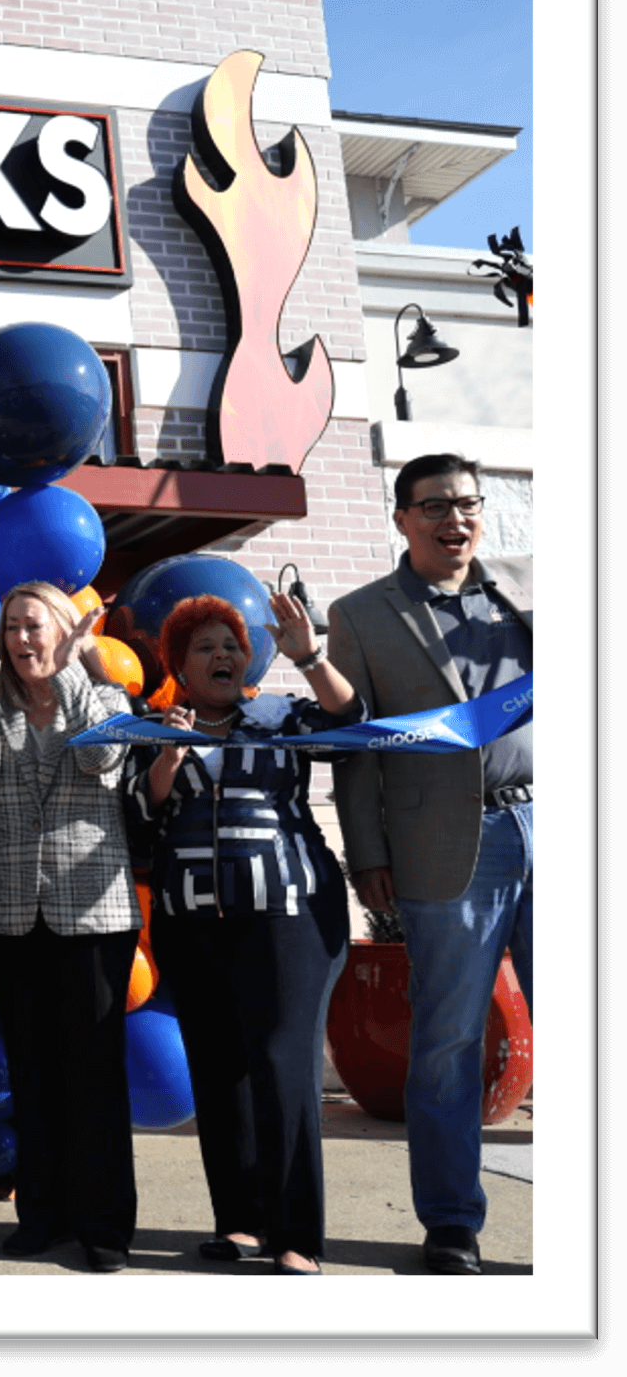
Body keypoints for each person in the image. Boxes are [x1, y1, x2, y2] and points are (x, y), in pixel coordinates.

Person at [327, 453, 532, 1277]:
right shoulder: (361, 614)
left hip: (545, 815)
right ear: (401, 517)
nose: (456, 519)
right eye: (436, 506)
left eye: (468, 504)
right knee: (446, 1041)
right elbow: (355, 749)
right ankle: (451, 1221)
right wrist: (366, 855)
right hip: (444, 848)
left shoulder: (526, 590)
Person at [133, 590, 360, 1275]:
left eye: (229, 644)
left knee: (281, 1065)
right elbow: (141, 818)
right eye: (203, 647)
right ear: (178, 664)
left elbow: (350, 720)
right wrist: (166, 763)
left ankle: (296, 1235)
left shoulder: (281, 713)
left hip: (287, 911)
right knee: (218, 1071)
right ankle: (239, 1222)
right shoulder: (152, 726)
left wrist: (311, 656)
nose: (222, 655)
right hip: (189, 918)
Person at [0, 581, 138, 1274]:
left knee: (91, 1076)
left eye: (35, 626)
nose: (23, 639)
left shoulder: (108, 701)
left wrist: (73, 671)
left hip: (91, 912)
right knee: (33, 1072)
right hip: (11, 912)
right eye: (14, 628)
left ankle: (104, 1225)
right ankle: (43, 1214)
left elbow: (101, 760)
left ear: (63, 631)